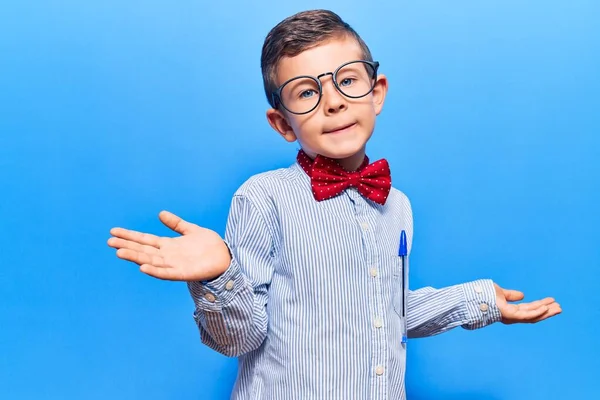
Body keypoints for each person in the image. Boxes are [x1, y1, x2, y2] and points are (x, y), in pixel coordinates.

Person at [107, 9, 561, 400]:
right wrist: (217, 275)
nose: (335, 102)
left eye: (347, 80)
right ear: (282, 123)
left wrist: (478, 300)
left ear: (376, 91)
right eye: (307, 92)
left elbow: (388, 309)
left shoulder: (397, 205)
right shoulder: (263, 198)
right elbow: (241, 337)